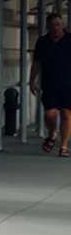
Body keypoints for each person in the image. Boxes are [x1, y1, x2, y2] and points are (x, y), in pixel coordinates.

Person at [33, 12, 71, 156]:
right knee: (50, 114)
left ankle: (64, 146)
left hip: (69, 84)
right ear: (48, 27)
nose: (56, 28)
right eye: (53, 26)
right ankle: (52, 132)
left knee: (67, 115)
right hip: (49, 84)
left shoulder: (69, 40)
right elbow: (36, 62)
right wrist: (32, 80)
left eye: (58, 25)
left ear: (63, 25)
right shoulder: (42, 42)